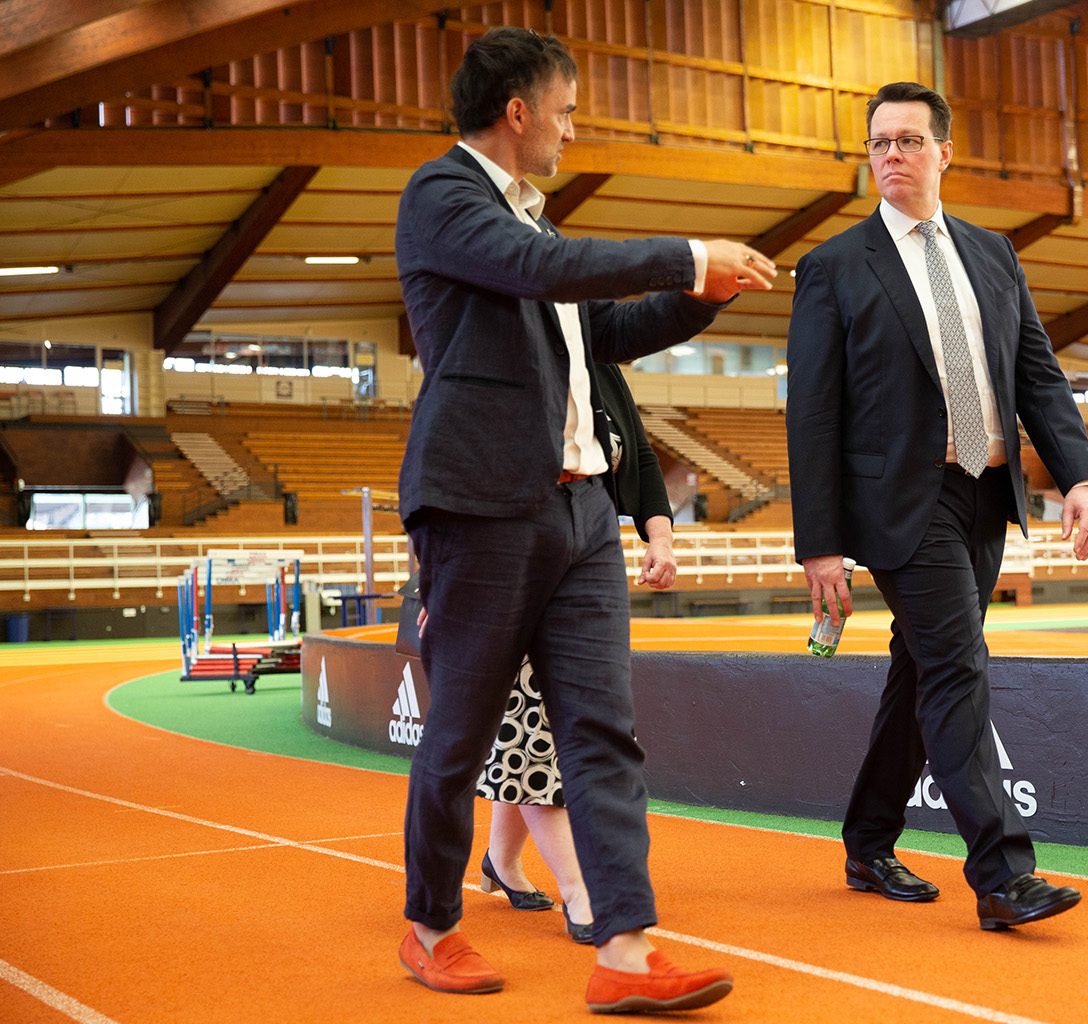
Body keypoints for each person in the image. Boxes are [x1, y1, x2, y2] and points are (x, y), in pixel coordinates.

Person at [393, 26, 774, 1011]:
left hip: (583, 511)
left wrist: (700, 295)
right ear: (517, 112)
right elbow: (540, 275)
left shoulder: (538, 229)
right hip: (481, 506)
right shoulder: (444, 199)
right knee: (461, 733)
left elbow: (604, 331)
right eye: (564, 111)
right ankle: (432, 924)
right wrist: (683, 251)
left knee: (602, 732)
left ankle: (626, 948)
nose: (571, 130)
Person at [786, 81, 1088, 932]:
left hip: (985, 495)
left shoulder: (994, 253)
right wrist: (820, 543)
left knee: (922, 668)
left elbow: (1036, 374)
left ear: (943, 153)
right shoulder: (832, 268)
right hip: (900, 504)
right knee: (959, 665)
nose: (891, 153)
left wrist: (1080, 477)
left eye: (908, 140)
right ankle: (1003, 875)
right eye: (879, 142)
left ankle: (867, 839)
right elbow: (812, 412)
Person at [474, 362, 678, 948]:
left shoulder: (602, 367)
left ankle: (500, 861)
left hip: (587, 551)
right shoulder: (507, 348)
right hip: (511, 555)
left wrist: (659, 537)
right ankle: (581, 891)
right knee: (529, 725)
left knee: (544, 723)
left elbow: (637, 455)